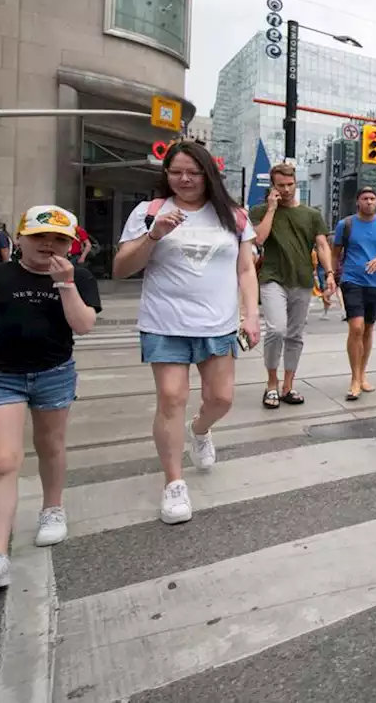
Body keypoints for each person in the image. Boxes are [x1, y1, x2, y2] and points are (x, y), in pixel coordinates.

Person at [114, 140, 260, 525]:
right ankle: (174, 483)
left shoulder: (233, 215)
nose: (184, 179)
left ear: (208, 173)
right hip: (165, 324)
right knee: (171, 398)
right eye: (175, 172)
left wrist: (252, 314)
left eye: (193, 172)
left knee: (222, 398)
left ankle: (201, 430)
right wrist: (154, 235)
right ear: (166, 174)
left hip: (218, 324)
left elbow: (246, 270)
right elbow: (120, 268)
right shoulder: (149, 213)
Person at [0, 205, 101, 587]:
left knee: (50, 445)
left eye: (59, 239)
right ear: (20, 238)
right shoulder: (2, 276)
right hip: (2, 376)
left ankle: (52, 508)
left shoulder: (80, 276)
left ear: (72, 245)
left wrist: (67, 284)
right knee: (3, 460)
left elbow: (84, 325)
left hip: (54, 374)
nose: (49, 245)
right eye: (40, 237)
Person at [249, 163, 335, 410]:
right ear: (273, 187)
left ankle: (288, 385)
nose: (286, 190)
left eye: (290, 185)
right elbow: (259, 239)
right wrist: (272, 209)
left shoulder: (311, 215)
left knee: (295, 335)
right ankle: (271, 383)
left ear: (296, 183)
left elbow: (321, 245)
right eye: (280, 186)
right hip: (273, 278)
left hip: (303, 279)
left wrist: (329, 273)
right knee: (276, 330)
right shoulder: (260, 211)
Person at [332, 187, 376, 401]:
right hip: (352, 280)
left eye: (372, 198)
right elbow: (335, 254)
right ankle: (354, 379)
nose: (369, 202)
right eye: (365, 198)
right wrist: (332, 278)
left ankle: (362, 374)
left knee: (368, 329)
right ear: (358, 202)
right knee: (356, 327)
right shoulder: (346, 224)